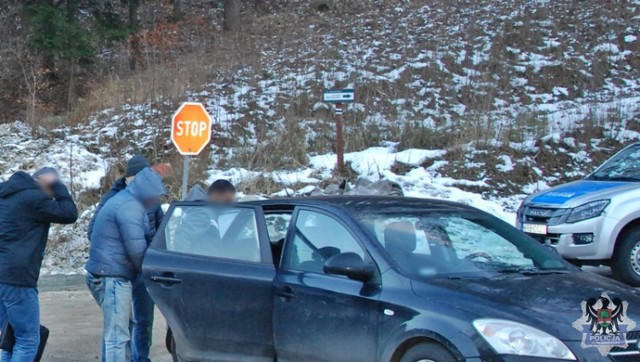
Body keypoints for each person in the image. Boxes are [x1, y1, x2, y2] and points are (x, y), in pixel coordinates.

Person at [88, 155, 170, 362]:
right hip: (114, 274)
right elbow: (137, 249)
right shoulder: (129, 206)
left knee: (125, 328)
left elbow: (157, 232)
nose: (154, 200)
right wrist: (157, 271)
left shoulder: (131, 201)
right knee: (117, 334)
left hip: (117, 272)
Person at [0, 167, 78, 361]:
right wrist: (56, 184)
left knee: (9, 338)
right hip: (18, 278)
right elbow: (69, 213)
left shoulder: (5, 195)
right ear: (43, 182)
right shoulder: (34, 198)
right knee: (27, 340)